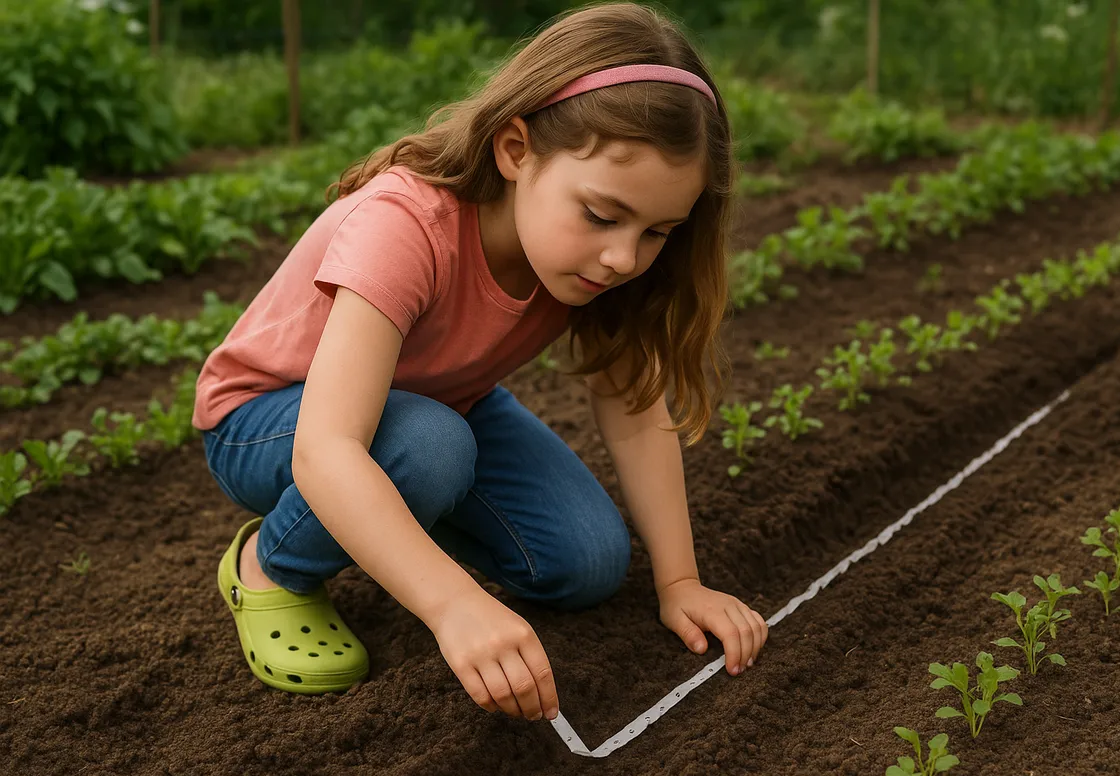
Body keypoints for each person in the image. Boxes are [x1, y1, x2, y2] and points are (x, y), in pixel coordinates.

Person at [197, 1, 768, 723]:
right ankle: (271, 565)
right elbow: (326, 447)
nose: (624, 256)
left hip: (439, 410)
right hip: (270, 420)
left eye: (657, 231)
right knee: (428, 445)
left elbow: (630, 406)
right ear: (515, 150)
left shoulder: (591, 264)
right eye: (601, 215)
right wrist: (454, 603)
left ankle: (397, 508)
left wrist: (679, 580)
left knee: (586, 562)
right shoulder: (405, 227)